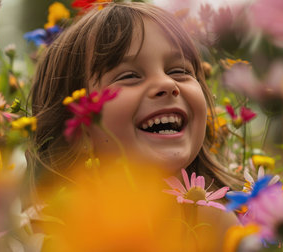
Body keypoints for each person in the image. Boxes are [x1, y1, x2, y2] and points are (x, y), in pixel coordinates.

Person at [29, 2, 241, 250]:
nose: (166, 83)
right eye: (129, 76)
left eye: (179, 70)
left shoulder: (215, 224)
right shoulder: (52, 228)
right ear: (76, 127)